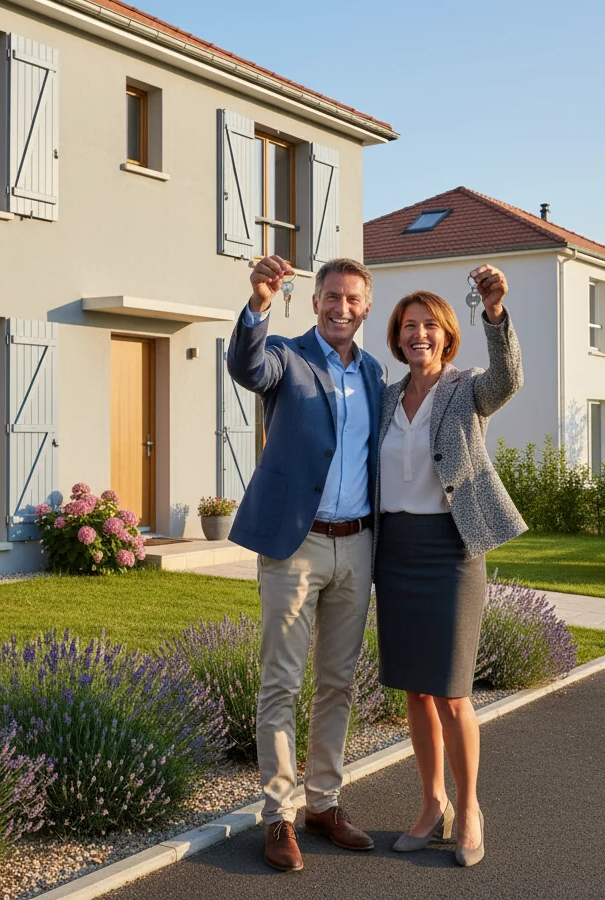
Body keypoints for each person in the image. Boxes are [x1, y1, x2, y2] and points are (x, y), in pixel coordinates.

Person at [227, 254, 386, 873]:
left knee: (338, 682)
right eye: (332, 297)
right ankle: (277, 816)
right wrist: (259, 303)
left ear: (365, 307)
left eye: (352, 299)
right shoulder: (287, 357)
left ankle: (324, 802)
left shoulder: (374, 373)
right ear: (315, 301)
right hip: (297, 545)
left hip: (359, 543)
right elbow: (246, 365)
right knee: (282, 682)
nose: (341, 308)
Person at [373, 266, 526, 867]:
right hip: (397, 550)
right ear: (397, 336)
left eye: (429, 326)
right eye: (409, 326)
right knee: (415, 690)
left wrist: (496, 312)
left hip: (452, 548)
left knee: (454, 693)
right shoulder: (386, 396)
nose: (419, 335)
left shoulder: (467, 389)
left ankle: (469, 810)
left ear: (446, 334)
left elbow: (508, 378)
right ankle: (431, 803)